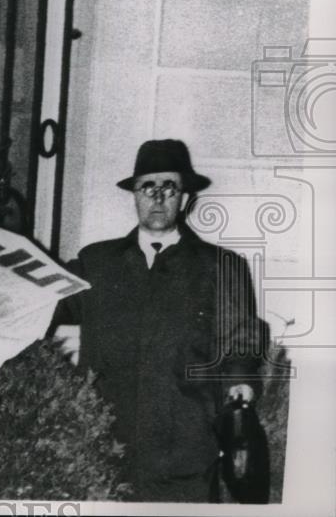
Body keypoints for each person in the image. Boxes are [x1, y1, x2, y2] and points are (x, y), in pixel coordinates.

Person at [51, 139, 266, 503]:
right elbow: (46, 314)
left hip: (186, 444)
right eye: (147, 187)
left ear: (184, 197)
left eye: (169, 187)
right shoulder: (96, 263)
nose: (158, 197)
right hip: (105, 441)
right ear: (134, 195)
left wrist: (240, 383)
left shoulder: (221, 267)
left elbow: (241, 340)